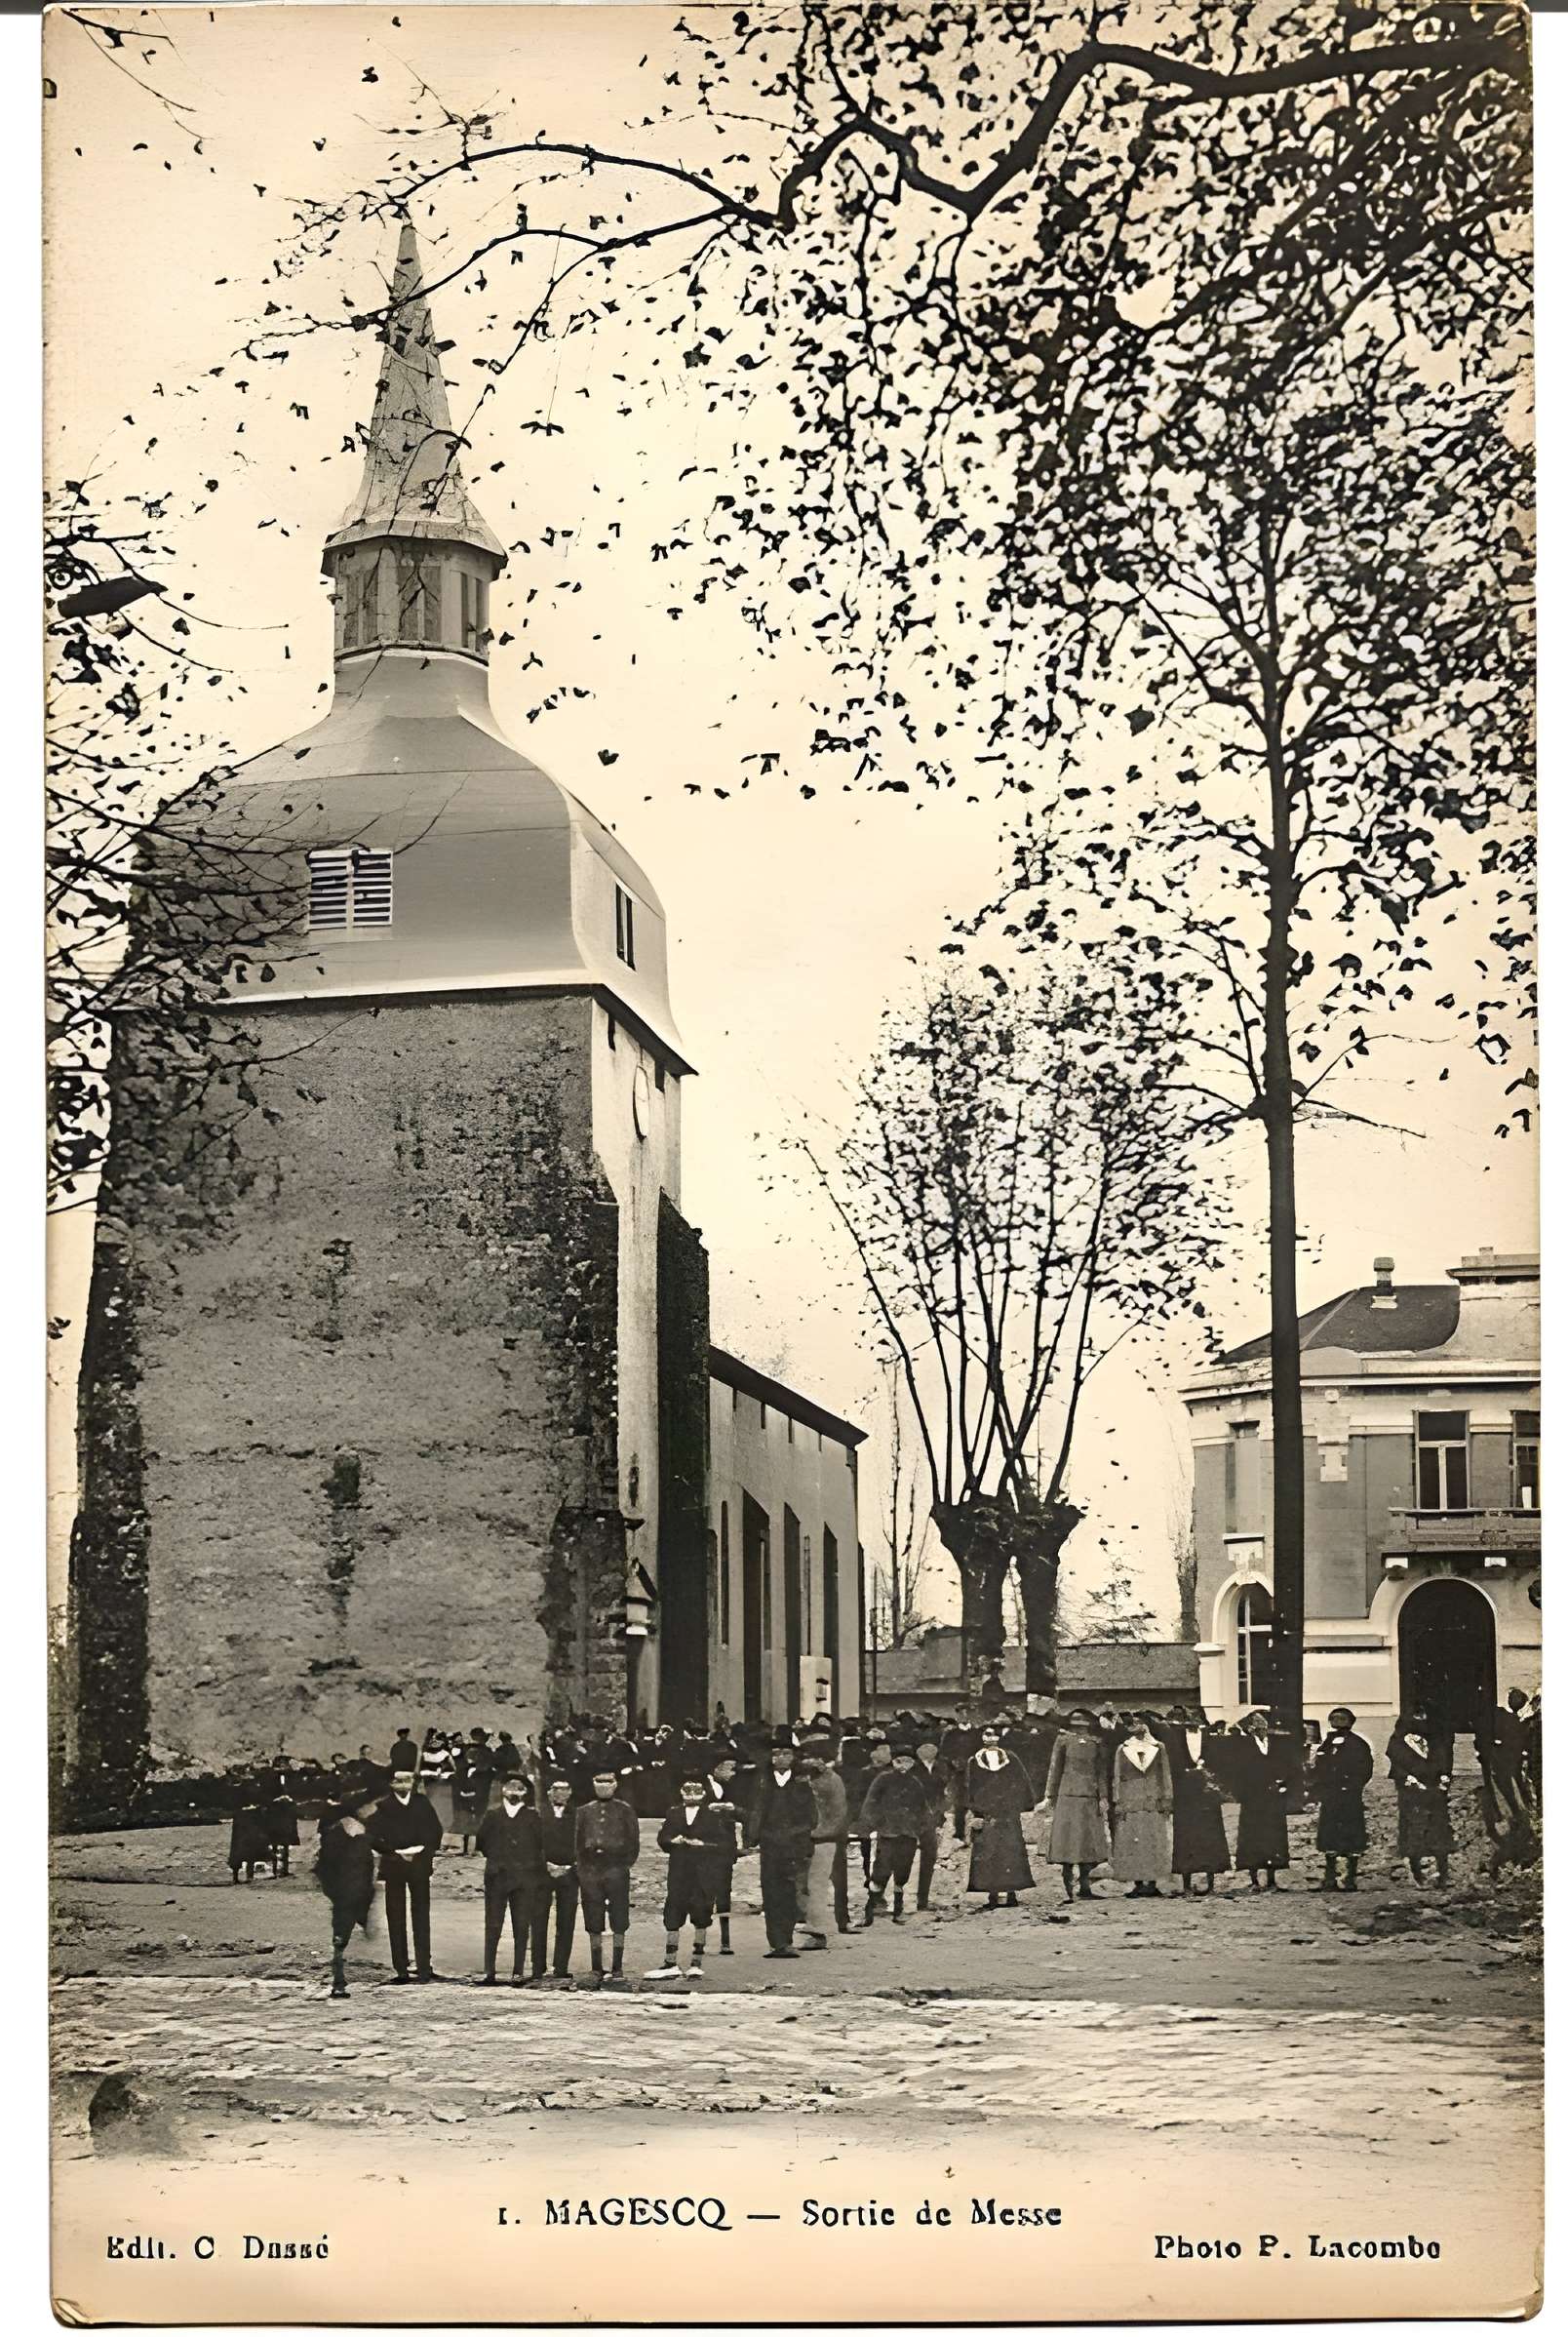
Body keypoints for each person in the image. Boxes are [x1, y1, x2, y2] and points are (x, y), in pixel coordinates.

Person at [647, 1776, 729, 1980]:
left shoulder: (712, 1816)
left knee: (701, 1914)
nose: (691, 1795)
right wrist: (672, 1841)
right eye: (688, 1791)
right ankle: (670, 1962)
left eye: (696, 1792)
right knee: (673, 1912)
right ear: (682, 1793)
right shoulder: (673, 1813)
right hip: (679, 1871)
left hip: (703, 1872)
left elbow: (723, 1844)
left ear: (703, 1794)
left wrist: (703, 1845)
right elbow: (662, 1838)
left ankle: (696, 1962)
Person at [369, 1762, 445, 1981]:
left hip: (419, 1864)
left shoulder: (423, 1804)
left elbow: (435, 1831)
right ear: (391, 1784)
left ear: (413, 1783)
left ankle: (424, 1967)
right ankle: (401, 1969)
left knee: (421, 1915)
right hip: (394, 1865)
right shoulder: (383, 1807)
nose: (403, 1785)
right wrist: (394, 1852)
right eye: (398, 1781)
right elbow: (372, 1836)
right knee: (396, 1916)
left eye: (407, 1780)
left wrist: (423, 1851)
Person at [745, 1734, 816, 1959]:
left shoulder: (802, 1783)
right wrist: (752, 1838)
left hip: (794, 1845)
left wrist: (800, 1836)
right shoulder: (761, 1781)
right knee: (771, 1892)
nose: (781, 1758)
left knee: (790, 1892)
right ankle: (776, 1943)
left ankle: (786, 1940)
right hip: (770, 1844)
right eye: (776, 1754)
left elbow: (811, 1816)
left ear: (793, 1757)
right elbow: (755, 1811)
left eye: (786, 1753)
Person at [475, 1769, 545, 1986]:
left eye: (519, 1788)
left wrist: (527, 1864)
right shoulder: (492, 1815)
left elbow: (540, 1845)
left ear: (524, 1793)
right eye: (510, 1787)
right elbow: (482, 1842)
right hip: (497, 1876)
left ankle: (518, 1971)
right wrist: (499, 1859)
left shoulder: (533, 1816)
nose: (514, 1791)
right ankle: (489, 1971)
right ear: (503, 1791)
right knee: (493, 1924)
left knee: (521, 1924)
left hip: (524, 1878)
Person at [574, 1763, 641, 1986]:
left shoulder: (625, 1810)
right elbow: (576, 1842)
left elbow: (633, 1842)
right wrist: (583, 1869)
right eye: (599, 1782)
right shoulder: (584, 1811)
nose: (604, 1786)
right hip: (590, 1871)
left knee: (619, 1916)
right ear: (593, 1784)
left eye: (608, 1782)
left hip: (616, 1869)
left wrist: (623, 1865)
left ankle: (617, 1966)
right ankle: (596, 1967)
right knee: (593, 1916)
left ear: (615, 1784)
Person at [315, 1793, 380, 1999]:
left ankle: (339, 1980)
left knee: (343, 1934)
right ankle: (338, 1982)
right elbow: (324, 1868)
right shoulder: (340, 1834)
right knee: (341, 1937)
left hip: (357, 1892)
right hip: (346, 1893)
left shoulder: (361, 1832)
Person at [965, 1722, 1036, 1910]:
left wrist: (1018, 1804)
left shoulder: (1010, 1758)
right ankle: (992, 1894)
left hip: (1008, 1814)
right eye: (986, 1735)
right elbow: (971, 1788)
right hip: (986, 1813)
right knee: (988, 1853)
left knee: (1010, 1852)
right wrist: (975, 1811)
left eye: (993, 1735)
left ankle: (1011, 1893)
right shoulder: (975, 1761)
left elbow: (1022, 1783)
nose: (990, 1739)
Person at [1044, 1708, 1112, 1902]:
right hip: (1067, 1796)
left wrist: (1103, 1796)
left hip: (1089, 1796)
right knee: (1067, 1841)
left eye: (1083, 1725)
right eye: (1076, 1725)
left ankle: (1085, 1886)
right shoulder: (1063, 1741)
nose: (1080, 1729)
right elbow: (1055, 1769)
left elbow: (1101, 1772)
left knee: (1087, 1842)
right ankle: (1067, 1886)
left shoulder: (1096, 1743)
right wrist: (1051, 1795)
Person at [858, 1743, 928, 1924]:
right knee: (881, 1871)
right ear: (894, 1762)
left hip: (908, 1834)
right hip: (888, 1833)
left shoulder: (915, 1783)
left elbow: (923, 1808)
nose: (903, 1766)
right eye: (900, 1761)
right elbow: (870, 1804)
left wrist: (919, 1828)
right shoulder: (883, 1779)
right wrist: (877, 1825)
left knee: (902, 1873)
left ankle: (898, 1910)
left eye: (908, 1762)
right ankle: (870, 1910)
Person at [1167, 1709, 1232, 1894]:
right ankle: (1186, 1883)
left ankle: (1210, 1882)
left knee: (1210, 1833)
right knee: (1185, 1835)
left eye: (1196, 1720)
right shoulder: (1175, 1738)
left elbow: (1220, 1763)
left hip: (1206, 1795)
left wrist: (1207, 1770)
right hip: (1185, 1795)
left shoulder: (1209, 1739)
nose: (1193, 1723)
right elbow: (1172, 1763)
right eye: (1189, 1720)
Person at [1387, 1713, 1455, 1886]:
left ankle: (1442, 1874)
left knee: (1439, 1832)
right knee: (1414, 1833)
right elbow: (1397, 1769)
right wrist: (1410, 1780)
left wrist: (1444, 1778)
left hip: (1435, 1793)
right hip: (1412, 1796)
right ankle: (1417, 1874)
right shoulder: (1398, 1745)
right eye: (1416, 1721)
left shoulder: (1435, 1743)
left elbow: (1445, 1761)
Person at [1110, 1715, 1173, 1898]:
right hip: (1131, 1800)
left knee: (1153, 1840)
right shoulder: (1123, 1748)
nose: (1135, 1726)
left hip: (1153, 1800)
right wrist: (1118, 1800)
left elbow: (1165, 1774)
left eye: (1139, 1723)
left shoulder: (1158, 1747)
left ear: (1146, 1725)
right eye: (1133, 1723)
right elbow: (1117, 1776)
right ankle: (1137, 1882)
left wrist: (1167, 1798)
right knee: (1133, 1842)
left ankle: (1152, 1882)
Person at [1312, 1708, 1374, 1891]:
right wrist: (1320, 1785)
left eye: (1342, 1719)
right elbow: (1319, 1767)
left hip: (1349, 1797)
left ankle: (1350, 1878)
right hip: (1330, 1796)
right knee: (1330, 1835)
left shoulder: (1358, 1744)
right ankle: (1330, 1877)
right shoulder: (1327, 1744)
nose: (1338, 1723)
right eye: (1334, 1719)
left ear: (1350, 1722)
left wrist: (1352, 1786)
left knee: (1351, 1835)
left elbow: (1365, 1770)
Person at [1232, 1710, 1292, 1890]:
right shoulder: (1242, 1747)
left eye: (1263, 1726)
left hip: (1273, 1798)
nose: (1261, 1730)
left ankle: (1272, 1879)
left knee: (1273, 1836)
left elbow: (1287, 1766)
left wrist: (1282, 1783)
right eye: (1257, 1727)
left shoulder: (1276, 1745)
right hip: (1252, 1798)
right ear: (1250, 1729)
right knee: (1252, 1836)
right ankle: (1254, 1880)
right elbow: (1237, 1772)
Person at [797, 1748, 848, 1948]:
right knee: (802, 1884)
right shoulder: (802, 1779)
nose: (812, 1761)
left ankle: (817, 1930)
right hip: (802, 1837)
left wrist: (821, 1833)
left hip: (822, 1838)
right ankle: (808, 1924)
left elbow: (838, 1813)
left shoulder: (832, 1781)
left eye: (816, 1757)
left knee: (816, 1884)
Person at [535, 1775, 580, 1983]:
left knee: (566, 1921)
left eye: (564, 1789)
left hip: (570, 1873)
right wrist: (546, 1864)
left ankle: (561, 1967)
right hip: (543, 1873)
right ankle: (538, 1966)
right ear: (549, 1792)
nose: (560, 1793)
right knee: (538, 1919)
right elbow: (533, 1842)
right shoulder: (538, 1814)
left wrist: (570, 1866)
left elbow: (582, 1842)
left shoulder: (578, 1815)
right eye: (556, 1789)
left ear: (570, 1793)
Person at [702, 1755, 744, 1955]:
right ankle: (700, 1941)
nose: (733, 1773)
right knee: (704, 1894)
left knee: (724, 1894)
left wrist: (733, 1809)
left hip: (725, 1849)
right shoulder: (701, 1787)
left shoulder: (731, 1789)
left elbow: (744, 1814)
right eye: (729, 1769)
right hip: (705, 1849)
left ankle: (725, 1941)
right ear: (717, 1768)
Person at [912, 1729, 950, 1912]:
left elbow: (944, 1792)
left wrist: (939, 1812)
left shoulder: (941, 1767)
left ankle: (923, 1900)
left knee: (929, 1857)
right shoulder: (912, 1768)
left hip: (932, 1817)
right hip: (912, 1817)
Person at [853, 1730, 893, 1885]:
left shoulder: (867, 1772)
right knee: (874, 1847)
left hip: (874, 1813)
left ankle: (871, 1875)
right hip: (874, 1813)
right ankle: (872, 1875)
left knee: (873, 1847)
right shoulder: (882, 1773)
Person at [940, 1705, 979, 1841]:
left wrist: (974, 1762)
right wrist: (952, 1762)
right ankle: (959, 1833)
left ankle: (977, 1832)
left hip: (975, 1773)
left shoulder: (977, 1733)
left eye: (967, 1713)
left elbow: (981, 1751)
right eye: (961, 1714)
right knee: (959, 1804)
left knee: (976, 1801)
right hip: (958, 1774)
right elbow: (944, 1752)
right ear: (957, 1716)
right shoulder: (950, 1735)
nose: (964, 1716)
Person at [226, 1771, 270, 1883]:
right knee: (245, 1848)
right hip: (246, 1823)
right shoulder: (247, 1791)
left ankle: (242, 1876)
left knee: (244, 1848)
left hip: (245, 1823)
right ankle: (245, 1876)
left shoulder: (241, 1791)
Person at [266, 1771, 299, 1879]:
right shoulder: (289, 1801)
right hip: (283, 1825)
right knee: (282, 1847)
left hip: (278, 1825)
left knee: (277, 1847)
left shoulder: (273, 1803)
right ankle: (282, 1869)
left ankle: (277, 1870)